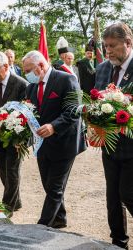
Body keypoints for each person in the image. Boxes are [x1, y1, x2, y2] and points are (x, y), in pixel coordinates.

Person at [22, 50, 86, 228]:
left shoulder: (66, 80)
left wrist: (53, 126)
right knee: (48, 185)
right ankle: (60, 218)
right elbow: (31, 113)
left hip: (65, 142)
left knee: (55, 188)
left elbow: (74, 111)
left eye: (28, 70)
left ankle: (41, 227)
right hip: (43, 144)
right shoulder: (31, 87)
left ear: (41, 66)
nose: (26, 74)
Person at [95, 22, 133, 250]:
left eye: (112, 46)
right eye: (105, 45)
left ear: (128, 43)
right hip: (108, 145)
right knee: (112, 197)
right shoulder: (102, 68)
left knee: (128, 192)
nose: (107, 51)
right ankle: (118, 242)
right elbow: (96, 100)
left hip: (132, 145)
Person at [0, 51, 28, 215]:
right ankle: (15, 201)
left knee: (12, 170)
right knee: (2, 168)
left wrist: (21, 135)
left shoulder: (21, 84)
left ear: (6, 66)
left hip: (16, 137)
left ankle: (7, 206)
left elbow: (28, 111)